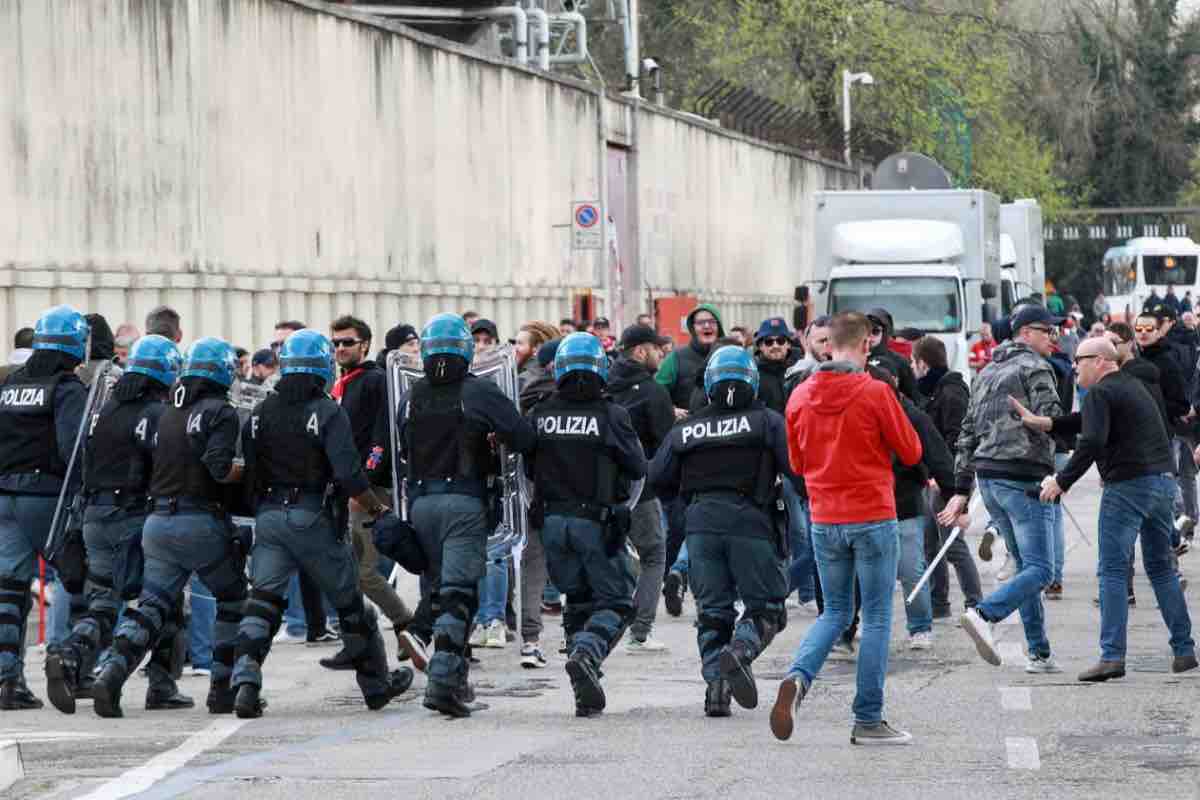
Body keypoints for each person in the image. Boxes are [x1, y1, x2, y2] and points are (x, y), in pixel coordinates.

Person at [231, 330, 412, 717]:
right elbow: (349, 474)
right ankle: (376, 686)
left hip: (270, 516)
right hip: (313, 515)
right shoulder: (327, 410)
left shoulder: (263, 411)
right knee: (351, 607)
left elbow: (248, 471)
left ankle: (245, 680)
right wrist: (377, 511)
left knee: (262, 603)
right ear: (321, 368)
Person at [772, 312, 921, 745]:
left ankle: (798, 677)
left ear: (826, 345)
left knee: (834, 611)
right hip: (872, 512)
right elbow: (911, 451)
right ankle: (868, 718)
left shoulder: (799, 396)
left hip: (824, 516)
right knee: (875, 615)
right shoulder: (874, 392)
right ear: (866, 345)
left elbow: (797, 464)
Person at [91, 337, 249, 718]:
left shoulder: (169, 413)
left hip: (158, 524)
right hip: (199, 522)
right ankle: (222, 689)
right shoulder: (220, 412)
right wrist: (245, 471)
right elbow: (218, 465)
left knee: (151, 606)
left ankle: (112, 672)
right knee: (234, 598)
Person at [44, 335, 193, 715]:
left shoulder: (103, 409)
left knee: (103, 604)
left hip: (94, 516)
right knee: (163, 601)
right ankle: (156, 683)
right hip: (137, 517)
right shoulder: (158, 415)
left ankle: (71, 655)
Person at [395, 313, 535, 717]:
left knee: (439, 589)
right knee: (459, 595)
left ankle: (453, 677)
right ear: (466, 350)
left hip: (420, 503)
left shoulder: (410, 395)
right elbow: (523, 436)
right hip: (463, 502)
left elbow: (400, 451)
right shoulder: (479, 393)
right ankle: (442, 680)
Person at [1034, 337, 1197, 681]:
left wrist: (1061, 481)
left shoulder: (1100, 392)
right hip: (1161, 482)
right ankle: (1184, 650)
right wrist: (1049, 423)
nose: (1075, 366)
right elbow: (1089, 422)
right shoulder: (1132, 387)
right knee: (1161, 569)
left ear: (1101, 361)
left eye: (1080, 360)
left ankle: (1112, 657)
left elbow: (1092, 440)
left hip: (1127, 486)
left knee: (1111, 570)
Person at [650, 347, 793, 717]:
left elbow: (657, 477)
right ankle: (740, 651)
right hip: (752, 523)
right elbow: (797, 470)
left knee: (713, 613)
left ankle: (717, 688)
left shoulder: (687, 427)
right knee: (767, 608)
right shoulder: (768, 422)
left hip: (700, 526)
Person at [939, 305, 1064, 674]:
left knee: (1026, 566)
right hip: (1024, 477)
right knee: (1042, 570)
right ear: (1025, 332)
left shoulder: (987, 371)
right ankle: (984, 614)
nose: (1054, 338)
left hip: (989, 480)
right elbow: (1052, 418)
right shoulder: (1036, 368)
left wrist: (962, 487)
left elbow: (967, 431)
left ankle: (1039, 652)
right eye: (1048, 331)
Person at [527, 333, 646, 716]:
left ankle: (583, 691)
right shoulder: (612, 415)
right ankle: (587, 655)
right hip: (595, 522)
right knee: (616, 601)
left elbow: (522, 467)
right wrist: (623, 507)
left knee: (577, 601)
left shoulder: (541, 412)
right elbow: (638, 468)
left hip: (552, 523)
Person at [0, 306, 90, 710]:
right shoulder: (67, 388)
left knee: (9, 590)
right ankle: (70, 661)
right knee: (77, 578)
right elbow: (74, 449)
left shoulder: (10, 384)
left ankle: (7, 679)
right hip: (48, 497)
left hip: (5, 497)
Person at [318, 316, 414, 670]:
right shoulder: (341, 383)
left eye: (347, 342)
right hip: (345, 488)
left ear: (365, 345)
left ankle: (406, 623)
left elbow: (381, 437)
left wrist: (365, 482)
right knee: (348, 571)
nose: (341, 348)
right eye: (336, 343)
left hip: (368, 490)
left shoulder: (374, 381)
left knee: (363, 572)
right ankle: (366, 640)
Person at [607, 324, 675, 654]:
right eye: (656, 347)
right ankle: (641, 631)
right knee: (654, 554)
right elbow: (665, 447)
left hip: (601, 487)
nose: (662, 353)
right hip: (640, 489)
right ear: (639, 351)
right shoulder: (652, 391)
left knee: (609, 554)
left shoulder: (604, 381)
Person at [913, 336, 982, 616]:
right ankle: (939, 604)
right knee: (932, 543)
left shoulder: (951, 393)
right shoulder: (935, 392)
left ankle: (975, 603)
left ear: (924, 364)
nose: (912, 368)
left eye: (913, 363)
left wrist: (954, 489)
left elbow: (957, 441)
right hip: (936, 479)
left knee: (952, 545)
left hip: (950, 480)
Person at [515, 326, 562, 668]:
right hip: (577, 497)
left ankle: (530, 640)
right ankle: (579, 638)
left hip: (533, 494)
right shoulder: (589, 402)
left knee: (533, 565)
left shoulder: (523, 397)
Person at [865, 308, 919, 401]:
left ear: (885, 332)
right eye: (866, 330)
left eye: (875, 330)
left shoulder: (900, 361)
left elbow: (914, 396)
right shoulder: (855, 358)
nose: (870, 335)